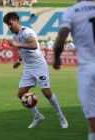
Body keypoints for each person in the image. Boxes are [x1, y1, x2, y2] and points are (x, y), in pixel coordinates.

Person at [3, 12, 68, 129]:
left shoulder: (27, 32)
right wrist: (19, 61)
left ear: (16, 21)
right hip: (28, 68)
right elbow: (24, 52)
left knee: (47, 93)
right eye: (7, 25)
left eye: (10, 24)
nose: (9, 27)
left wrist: (17, 44)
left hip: (39, 66)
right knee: (21, 94)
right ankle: (37, 116)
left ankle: (60, 115)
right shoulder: (15, 37)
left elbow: (33, 46)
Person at [53, 0, 95, 140]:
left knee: (92, 120)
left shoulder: (72, 11)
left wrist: (57, 58)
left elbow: (61, 38)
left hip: (87, 68)